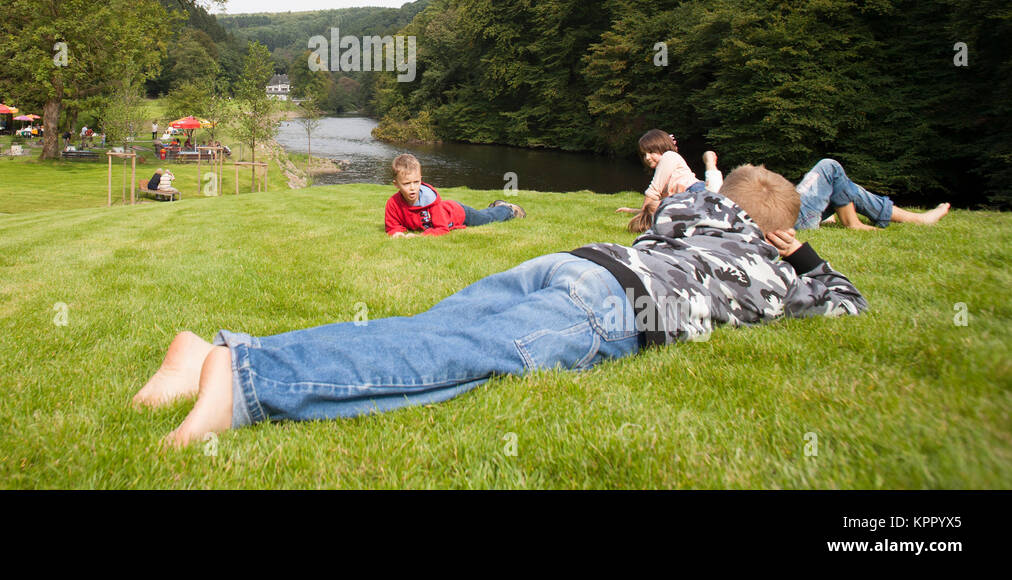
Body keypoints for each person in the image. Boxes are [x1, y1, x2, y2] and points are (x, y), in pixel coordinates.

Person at [133, 164, 867, 448]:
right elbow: (844, 305)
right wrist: (796, 253)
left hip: (574, 265)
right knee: (455, 357)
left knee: (430, 329)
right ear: (775, 230)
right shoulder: (767, 267)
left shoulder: (691, 214)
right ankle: (246, 378)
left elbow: (692, 201)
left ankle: (205, 353)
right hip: (619, 306)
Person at [384, 153, 524, 237]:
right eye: (407, 184)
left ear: (421, 178)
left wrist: (421, 236)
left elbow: (442, 229)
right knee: (484, 214)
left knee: (487, 218)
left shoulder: (431, 200)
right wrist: (397, 233)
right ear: (396, 184)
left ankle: (508, 209)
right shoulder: (393, 204)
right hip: (451, 212)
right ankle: (498, 205)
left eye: (416, 182)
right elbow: (392, 226)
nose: (413, 188)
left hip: (458, 214)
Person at [791, 158, 949, 231]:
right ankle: (854, 224)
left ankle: (918, 219)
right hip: (790, 218)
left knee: (843, 187)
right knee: (830, 167)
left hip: (785, 214)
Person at [621, 129, 713, 233]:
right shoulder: (664, 170)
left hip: (696, 192)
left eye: (651, 152)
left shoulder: (668, 156)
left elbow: (653, 191)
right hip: (687, 199)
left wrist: (642, 216)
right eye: (644, 154)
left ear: (663, 147)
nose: (647, 158)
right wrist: (635, 211)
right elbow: (656, 204)